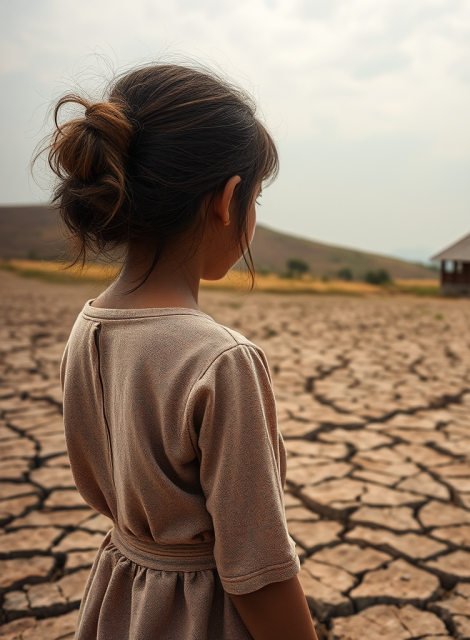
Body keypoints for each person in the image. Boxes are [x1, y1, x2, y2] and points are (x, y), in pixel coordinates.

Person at [40, 62, 317, 640]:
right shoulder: (220, 360)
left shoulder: (86, 327)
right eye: (256, 198)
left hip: (121, 600)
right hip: (200, 617)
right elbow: (258, 570)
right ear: (229, 199)